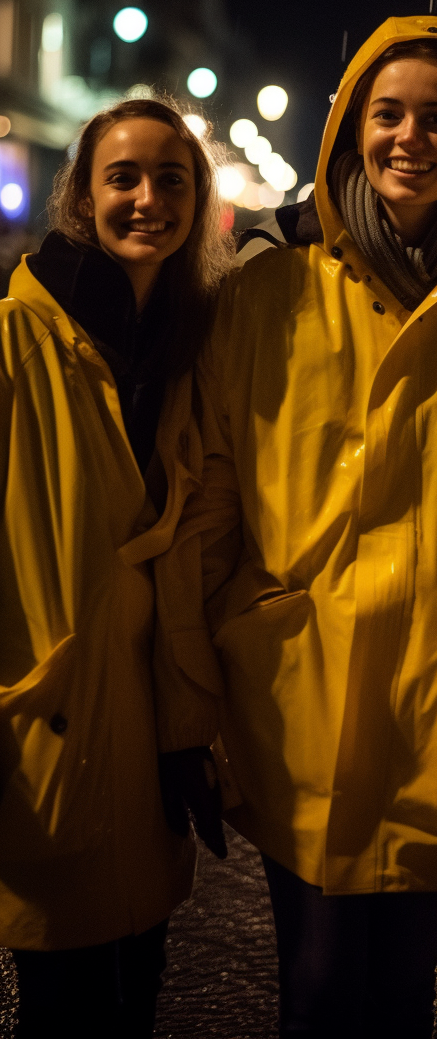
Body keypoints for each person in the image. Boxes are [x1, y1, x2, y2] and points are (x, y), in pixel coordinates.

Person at [163, 14, 437, 1037]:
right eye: (389, 113)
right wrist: (223, 647)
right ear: (351, 129)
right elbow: (215, 492)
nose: (411, 137)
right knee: (315, 988)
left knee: (404, 994)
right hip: (294, 700)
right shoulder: (272, 289)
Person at [0, 97, 231, 1037]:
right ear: (81, 199)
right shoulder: (19, 340)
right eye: (122, 178)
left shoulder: (179, 352)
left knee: (135, 992)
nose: (147, 199)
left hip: (143, 739)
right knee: (68, 1008)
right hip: (46, 727)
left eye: (170, 179)